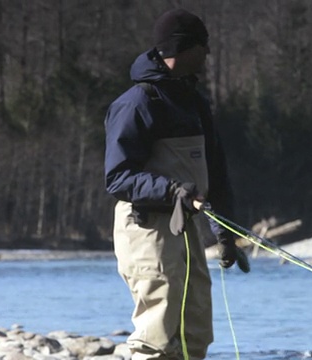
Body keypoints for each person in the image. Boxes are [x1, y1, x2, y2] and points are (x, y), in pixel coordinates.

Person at [103, 9, 249, 360]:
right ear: (181, 48)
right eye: (203, 46)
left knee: (195, 332)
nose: (208, 54)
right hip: (146, 232)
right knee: (157, 334)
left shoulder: (195, 103)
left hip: (188, 232)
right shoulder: (137, 104)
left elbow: (215, 175)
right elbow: (118, 177)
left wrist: (225, 235)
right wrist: (171, 190)